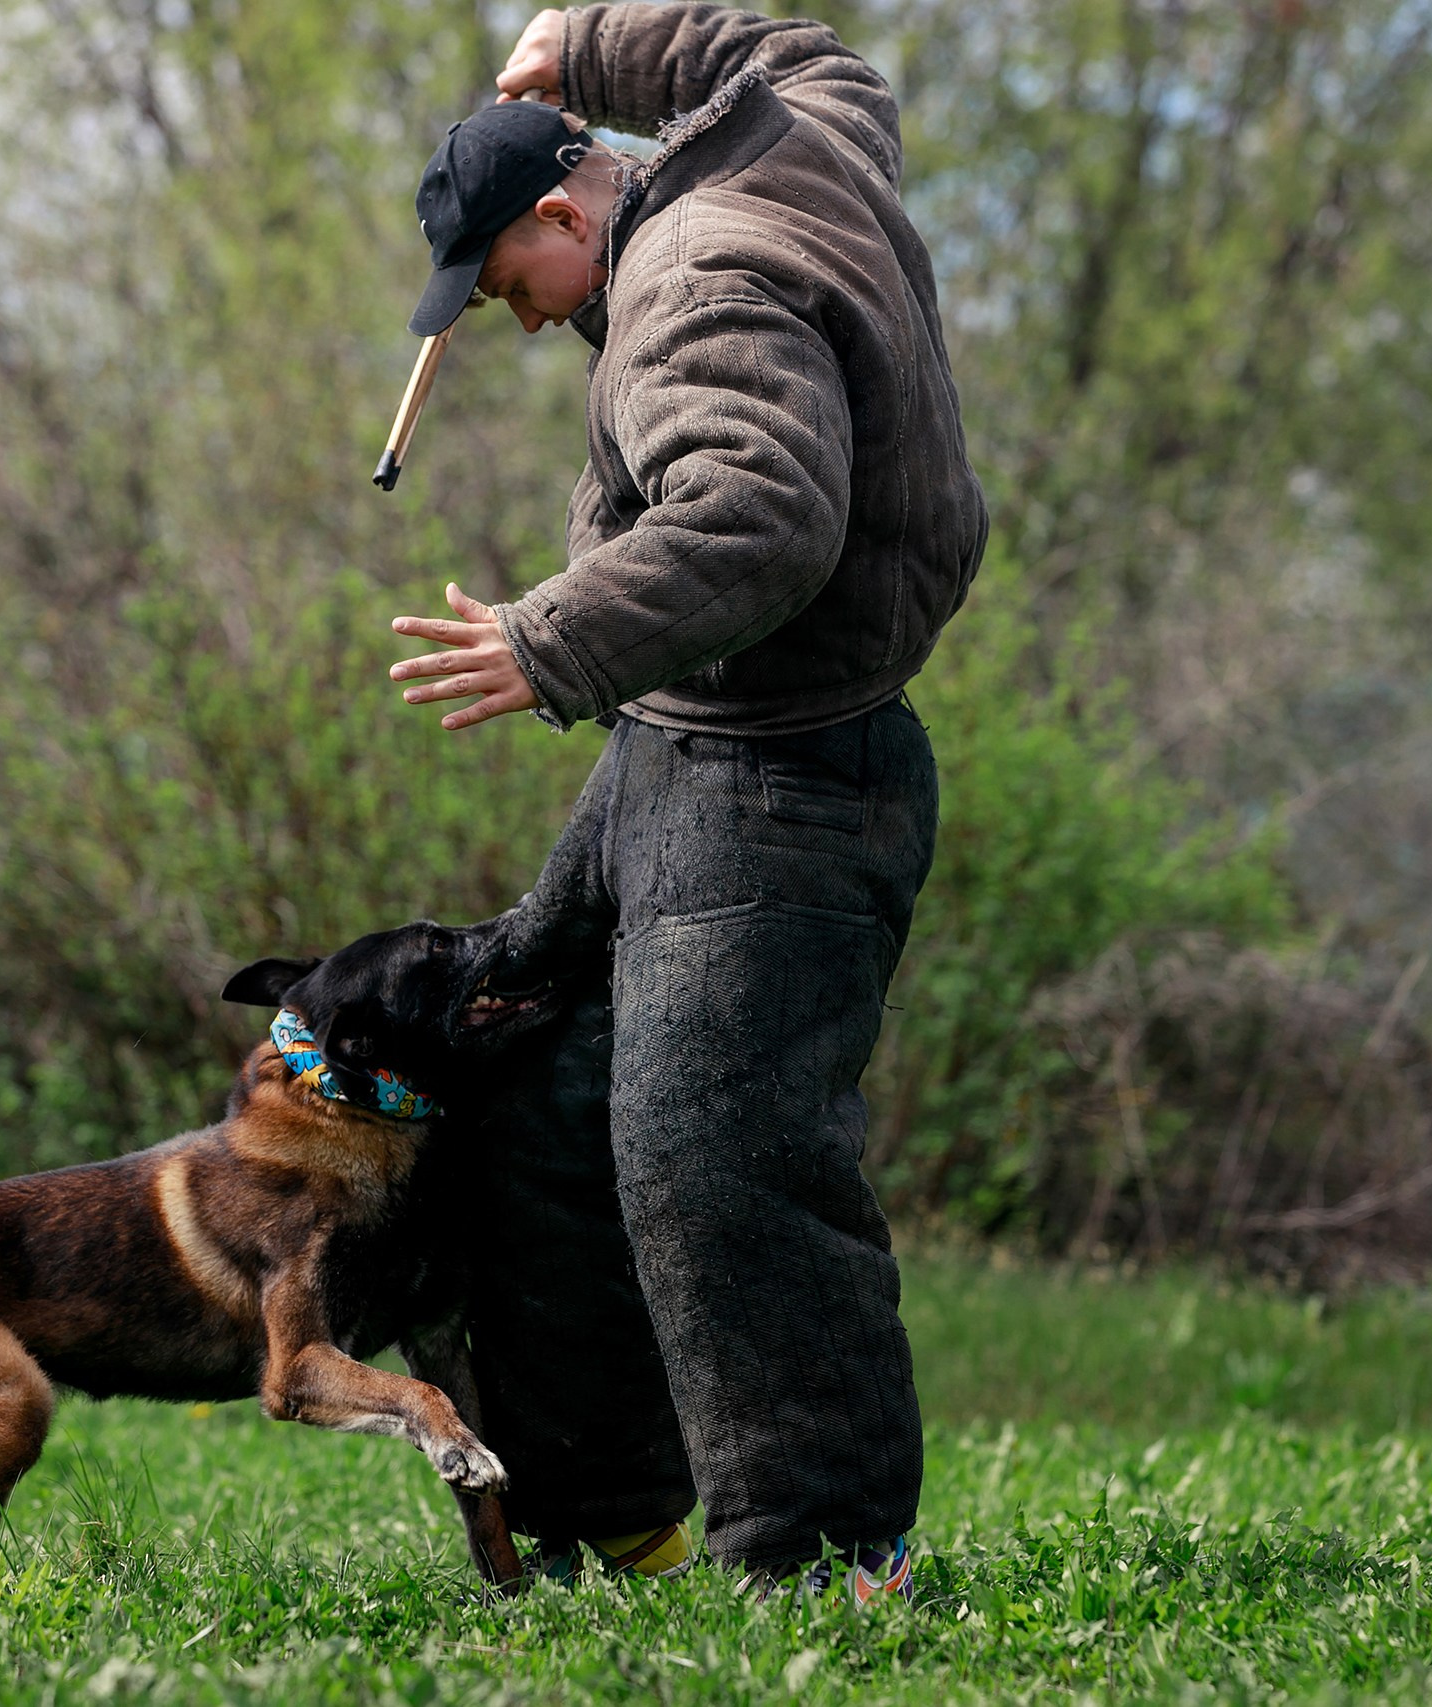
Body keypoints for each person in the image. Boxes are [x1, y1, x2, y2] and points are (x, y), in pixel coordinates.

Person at [385, 4, 988, 1600]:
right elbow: (804, 51)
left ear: (567, 216)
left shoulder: (690, 283)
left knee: (720, 1159)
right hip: (683, 743)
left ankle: (829, 1568)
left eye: (515, 289)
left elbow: (764, 515)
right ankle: (612, 1522)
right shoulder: (796, 144)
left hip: (786, 773)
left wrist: (548, 634)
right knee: (502, 1058)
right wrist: (581, 43)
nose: (521, 326)